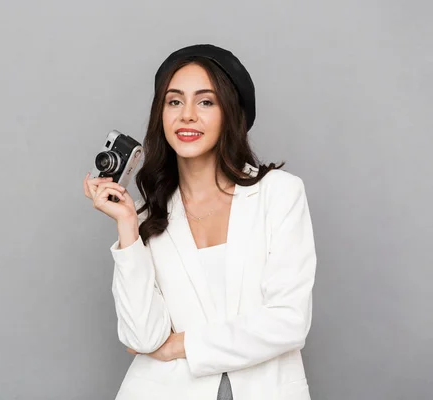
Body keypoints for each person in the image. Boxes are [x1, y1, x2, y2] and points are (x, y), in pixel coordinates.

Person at [83, 44, 317, 400]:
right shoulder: (150, 215)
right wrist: (128, 227)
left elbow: (288, 322)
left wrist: (181, 346)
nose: (187, 115)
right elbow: (142, 338)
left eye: (205, 102)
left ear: (231, 114)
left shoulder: (280, 195)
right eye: (174, 101)